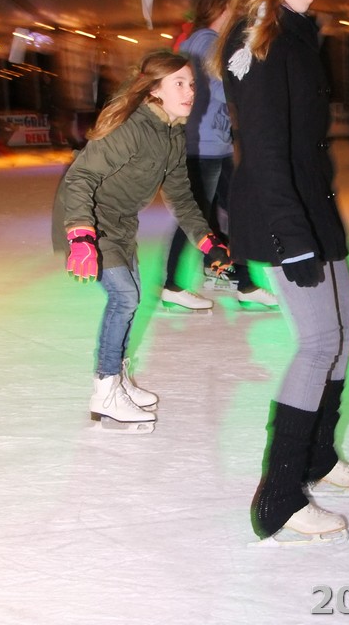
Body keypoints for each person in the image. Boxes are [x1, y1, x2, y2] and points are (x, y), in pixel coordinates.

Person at [212, 0, 349, 545]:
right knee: (318, 340)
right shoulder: (263, 46)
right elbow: (265, 152)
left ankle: (317, 456)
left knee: (348, 322)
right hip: (284, 212)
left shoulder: (297, 34)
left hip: (312, 203)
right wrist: (293, 240)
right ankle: (279, 496)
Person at [52, 50, 231, 432]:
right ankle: (105, 389)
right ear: (154, 90)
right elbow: (80, 178)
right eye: (178, 83)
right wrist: (80, 236)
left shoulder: (173, 134)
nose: (189, 91)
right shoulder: (131, 128)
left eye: (191, 83)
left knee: (129, 299)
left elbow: (181, 197)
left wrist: (208, 242)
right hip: (86, 220)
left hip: (119, 225)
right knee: (125, 297)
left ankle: (116, 378)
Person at [160, 0, 278, 311]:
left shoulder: (198, 41)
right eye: (232, 10)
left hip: (212, 144)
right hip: (204, 147)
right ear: (221, 9)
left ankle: (239, 280)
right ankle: (172, 284)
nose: (236, 16)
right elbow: (219, 87)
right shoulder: (207, 42)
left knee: (229, 212)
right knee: (197, 217)